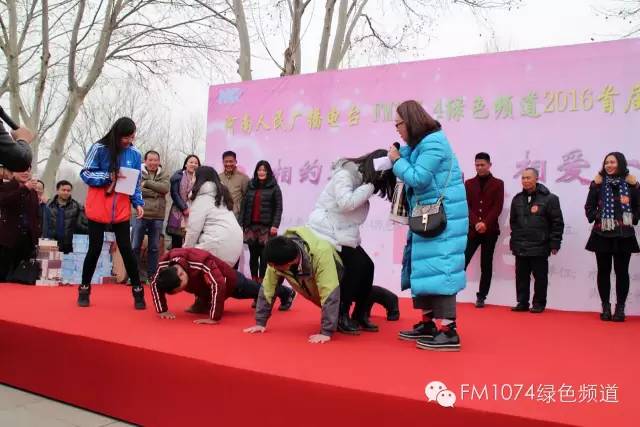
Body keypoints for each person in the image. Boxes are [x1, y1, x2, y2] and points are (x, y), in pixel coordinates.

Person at [388, 100, 468, 352]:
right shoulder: (421, 144)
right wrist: (400, 155)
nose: (397, 129)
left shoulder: (434, 142)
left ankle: (449, 331)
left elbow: (419, 178)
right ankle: (428, 324)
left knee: (442, 270)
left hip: (443, 218)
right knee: (424, 269)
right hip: (427, 215)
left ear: (410, 121)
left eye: (399, 124)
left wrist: (396, 161)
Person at [307, 149, 396, 334]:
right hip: (325, 229)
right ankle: (341, 314)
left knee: (368, 266)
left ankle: (360, 314)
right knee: (356, 267)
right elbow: (346, 204)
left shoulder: (361, 181)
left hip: (341, 232)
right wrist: (370, 186)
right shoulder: (345, 175)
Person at [77, 117, 145, 309]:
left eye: (132, 137)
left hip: (121, 208)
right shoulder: (99, 148)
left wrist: (138, 202)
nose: (129, 141)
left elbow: (136, 182)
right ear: (117, 134)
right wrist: (108, 176)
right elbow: (86, 173)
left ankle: (138, 292)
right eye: (126, 137)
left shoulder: (135, 154)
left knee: (126, 249)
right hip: (99, 206)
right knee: (95, 248)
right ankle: (84, 289)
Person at [243, 228, 343, 344]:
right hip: (312, 282)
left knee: (343, 306)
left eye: (274, 266)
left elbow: (329, 291)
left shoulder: (321, 253)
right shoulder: (278, 257)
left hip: (343, 274)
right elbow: (268, 289)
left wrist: (326, 332)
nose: (272, 268)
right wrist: (260, 323)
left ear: (290, 263)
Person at [585, 152, 640, 322]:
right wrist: (598, 216)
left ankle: (620, 308)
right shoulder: (598, 184)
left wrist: (632, 218)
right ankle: (606, 307)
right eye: (606, 162)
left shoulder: (631, 184)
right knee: (603, 271)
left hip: (624, 235)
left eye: (613, 162)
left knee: (622, 272)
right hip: (602, 234)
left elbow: (638, 206)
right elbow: (589, 206)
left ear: (621, 164)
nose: (609, 165)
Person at [150, 247, 267, 323]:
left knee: (261, 291)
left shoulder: (199, 261)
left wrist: (213, 318)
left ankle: (277, 292)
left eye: (180, 289)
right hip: (204, 287)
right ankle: (202, 303)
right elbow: (155, 282)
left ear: (180, 274)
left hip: (231, 281)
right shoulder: (165, 263)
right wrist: (162, 310)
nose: (181, 291)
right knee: (202, 288)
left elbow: (219, 284)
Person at [509, 168, 564, 314]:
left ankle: (539, 303)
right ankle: (522, 302)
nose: (525, 181)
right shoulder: (517, 199)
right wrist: (514, 241)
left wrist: (555, 243)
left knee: (540, 277)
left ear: (536, 179)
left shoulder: (550, 199)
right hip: (521, 245)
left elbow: (557, 223)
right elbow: (513, 223)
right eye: (523, 178)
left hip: (540, 245)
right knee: (521, 276)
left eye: (528, 178)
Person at [464, 152, 504, 308]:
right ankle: (451, 292)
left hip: (490, 231)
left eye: (482, 165)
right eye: (477, 165)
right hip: (472, 230)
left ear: (489, 165)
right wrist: (476, 223)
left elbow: (497, 207)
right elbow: (466, 206)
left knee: (486, 265)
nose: (479, 167)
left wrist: (485, 223)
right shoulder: (468, 183)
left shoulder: (498, 184)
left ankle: (481, 296)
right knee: (462, 261)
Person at [239, 160, 283, 285]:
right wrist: (241, 223)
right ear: (256, 171)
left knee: (264, 257)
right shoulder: (251, 185)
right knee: (253, 256)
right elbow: (244, 206)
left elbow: (278, 208)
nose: (261, 172)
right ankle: (254, 283)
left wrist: (275, 225)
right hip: (251, 227)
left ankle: (262, 284)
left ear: (268, 172)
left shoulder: (274, 187)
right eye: (259, 170)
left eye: (264, 170)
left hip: (266, 228)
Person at [132, 150, 170, 281]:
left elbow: (165, 189)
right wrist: (155, 193)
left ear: (159, 161)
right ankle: (134, 276)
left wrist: (147, 183)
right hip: (140, 213)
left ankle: (152, 276)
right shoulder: (137, 172)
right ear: (145, 161)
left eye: (155, 160)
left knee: (154, 247)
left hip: (158, 215)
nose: (153, 162)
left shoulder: (164, 173)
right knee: (135, 246)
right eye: (150, 160)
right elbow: (136, 189)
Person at [0, 168, 41, 281]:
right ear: (13, 172)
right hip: (8, 239)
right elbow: (4, 201)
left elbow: (36, 215)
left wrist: (37, 235)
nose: (26, 173)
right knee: (3, 274)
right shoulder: (5, 186)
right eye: (22, 170)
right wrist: (24, 189)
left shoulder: (33, 191)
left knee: (22, 278)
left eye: (28, 170)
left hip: (27, 239)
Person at [167, 154, 200, 249]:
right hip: (178, 210)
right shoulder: (178, 176)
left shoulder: (200, 179)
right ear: (186, 164)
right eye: (191, 162)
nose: (193, 164)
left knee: (190, 244)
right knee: (176, 243)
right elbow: (174, 194)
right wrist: (184, 208)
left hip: (194, 212)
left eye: (196, 163)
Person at [47, 180, 88, 253]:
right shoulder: (49, 205)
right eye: (63, 190)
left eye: (68, 190)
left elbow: (82, 224)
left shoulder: (77, 206)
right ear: (57, 190)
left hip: (69, 244)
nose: (66, 192)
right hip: (51, 243)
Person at [218, 151, 249, 222]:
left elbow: (247, 199)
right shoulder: (218, 177)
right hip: (220, 214)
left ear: (236, 162)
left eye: (231, 161)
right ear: (223, 162)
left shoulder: (243, 178)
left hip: (236, 216)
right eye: (226, 162)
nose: (228, 164)